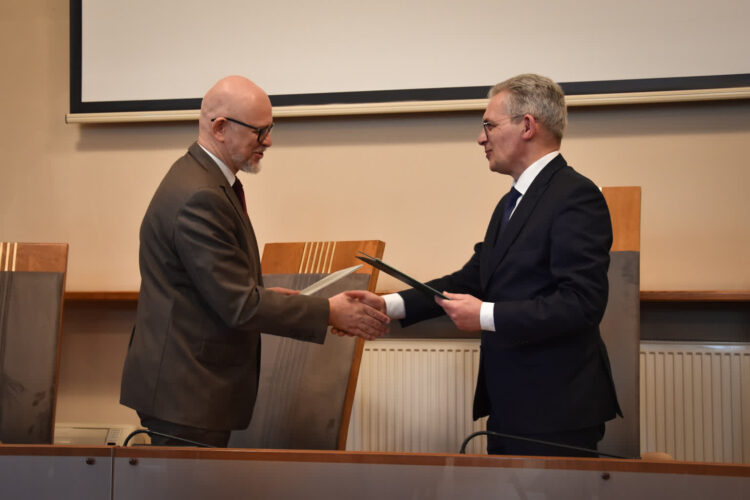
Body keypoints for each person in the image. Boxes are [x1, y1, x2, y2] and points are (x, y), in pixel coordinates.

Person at [346, 73, 621, 456]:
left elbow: (581, 304)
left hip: (556, 410)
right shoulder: (511, 201)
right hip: (512, 403)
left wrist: (484, 315)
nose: (481, 138)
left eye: (489, 125)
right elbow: (472, 278)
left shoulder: (576, 196)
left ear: (527, 126)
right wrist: (388, 305)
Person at [120, 76, 389, 447]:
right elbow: (239, 306)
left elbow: (215, 289)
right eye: (259, 131)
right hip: (187, 394)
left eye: (270, 129)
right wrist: (329, 311)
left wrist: (267, 296)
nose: (268, 141)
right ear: (220, 127)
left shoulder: (201, 179)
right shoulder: (200, 195)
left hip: (188, 389)